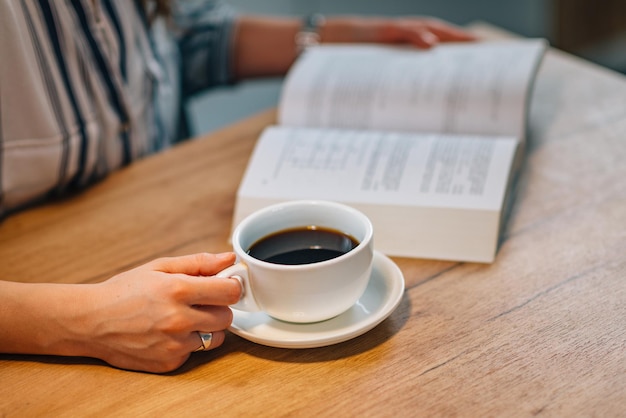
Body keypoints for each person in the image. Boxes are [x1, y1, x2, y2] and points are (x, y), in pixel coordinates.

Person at [0, 0, 475, 373]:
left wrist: (349, 39)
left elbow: (184, 41)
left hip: (170, 206)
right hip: (48, 280)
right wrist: (84, 320)